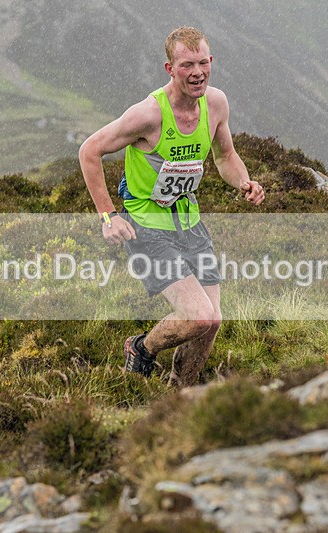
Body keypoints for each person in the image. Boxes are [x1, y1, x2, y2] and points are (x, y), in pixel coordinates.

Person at [79, 26, 264, 387]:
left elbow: (225, 156)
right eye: (187, 65)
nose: (197, 73)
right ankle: (141, 348)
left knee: (211, 322)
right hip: (146, 225)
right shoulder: (148, 114)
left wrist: (243, 181)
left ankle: (180, 395)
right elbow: (89, 150)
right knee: (196, 315)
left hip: (189, 223)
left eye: (203, 63)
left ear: (211, 62)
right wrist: (108, 216)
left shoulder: (216, 104)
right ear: (170, 69)